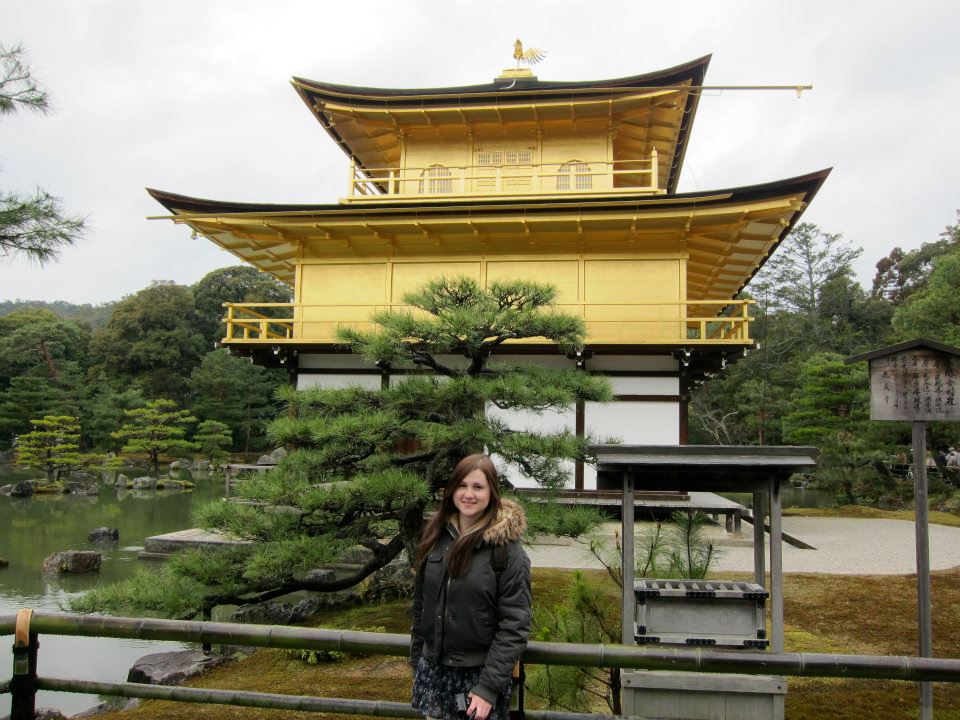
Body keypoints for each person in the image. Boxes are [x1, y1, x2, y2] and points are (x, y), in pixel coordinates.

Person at [410, 454, 531, 720]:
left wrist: (488, 688)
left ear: (492, 493)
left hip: (478, 676)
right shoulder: (435, 537)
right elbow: (421, 605)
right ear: (451, 489)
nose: (468, 494)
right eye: (462, 485)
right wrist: (417, 661)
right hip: (433, 672)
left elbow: (515, 624)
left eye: (478, 487)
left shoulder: (506, 551)